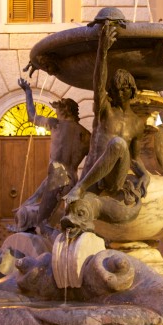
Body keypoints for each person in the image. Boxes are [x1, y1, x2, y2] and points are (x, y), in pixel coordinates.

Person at [64, 20, 149, 205]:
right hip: (93, 174)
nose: (120, 93)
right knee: (117, 144)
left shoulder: (137, 124)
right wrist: (102, 51)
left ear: (132, 90)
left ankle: (80, 188)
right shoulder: (105, 111)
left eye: (125, 88)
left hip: (114, 181)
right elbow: (98, 84)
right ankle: (82, 186)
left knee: (118, 145)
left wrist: (145, 175)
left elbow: (134, 159)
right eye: (116, 89)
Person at [12, 78, 91, 232]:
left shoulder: (55, 124)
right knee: (57, 215)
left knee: (43, 222)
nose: (56, 113)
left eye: (57, 110)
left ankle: (48, 246)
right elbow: (92, 161)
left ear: (63, 111)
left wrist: (28, 92)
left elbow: (31, 116)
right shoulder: (86, 135)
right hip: (73, 179)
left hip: (57, 175)